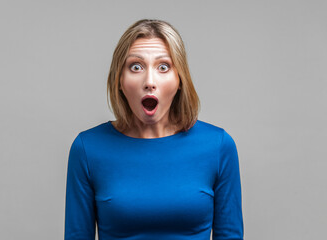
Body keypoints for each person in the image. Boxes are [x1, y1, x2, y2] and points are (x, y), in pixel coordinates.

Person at [64, 19, 244, 240]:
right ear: (119, 80)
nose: (149, 81)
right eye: (136, 67)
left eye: (163, 67)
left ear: (179, 80)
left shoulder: (218, 146)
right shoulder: (87, 149)